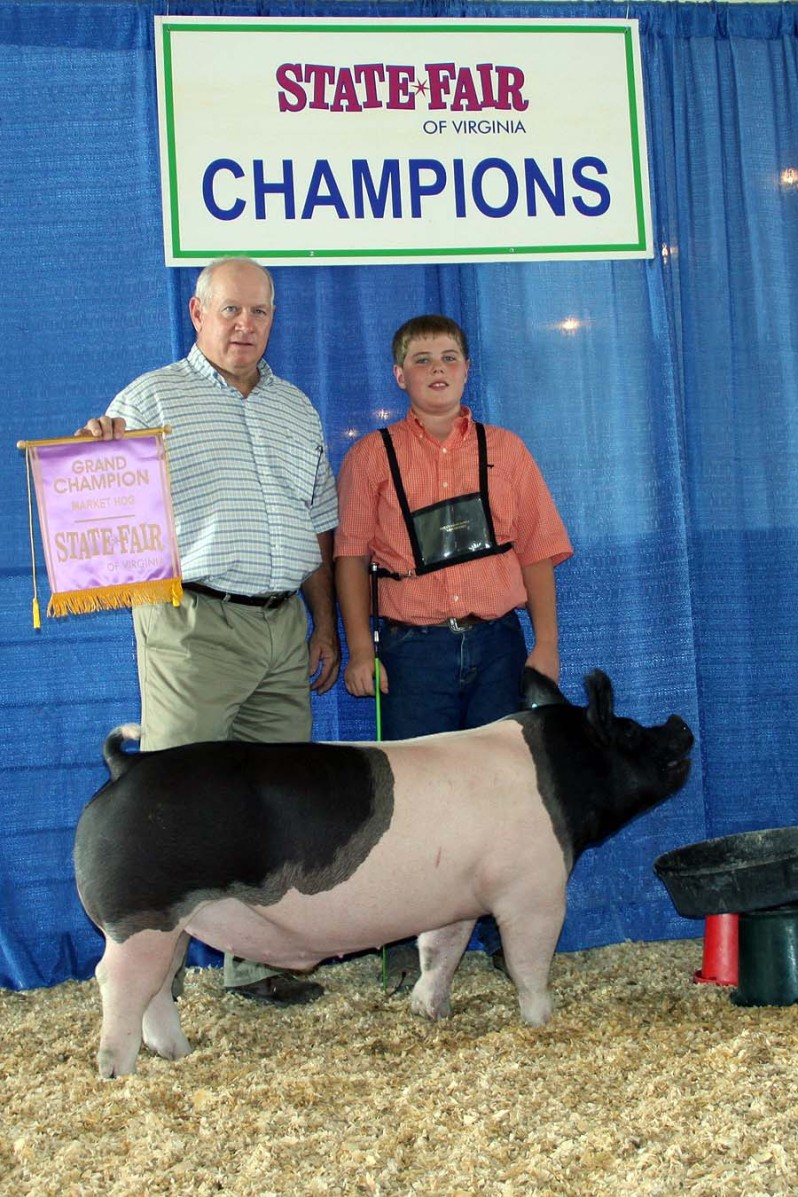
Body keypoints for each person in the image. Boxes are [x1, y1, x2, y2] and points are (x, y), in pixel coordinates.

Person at [77, 257, 340, 1006]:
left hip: (281, 623)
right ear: (198, 314)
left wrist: (323, 623)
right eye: (230, 310)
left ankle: (257, 964)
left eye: (259, 312)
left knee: (282, 802)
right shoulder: (150, 396)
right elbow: (98, 481)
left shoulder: (297, 407)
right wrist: (96, 446)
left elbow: (318, 524)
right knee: (176, 802)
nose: (245, 325)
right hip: (193, 622)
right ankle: (150, 976)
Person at [334, 313, 572, 967]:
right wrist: (360, 649)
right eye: (422, 359)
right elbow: (350, 557)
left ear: (467, 368)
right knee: (410, 799)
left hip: (498, 643)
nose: (437, 369)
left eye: (449, 357)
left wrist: (544, 645)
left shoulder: (507, 450)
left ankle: (508, 938)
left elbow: (538, 552)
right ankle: (407, 947)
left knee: (509, 794)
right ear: (399, 373)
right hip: (415, 650)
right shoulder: (371, 456)